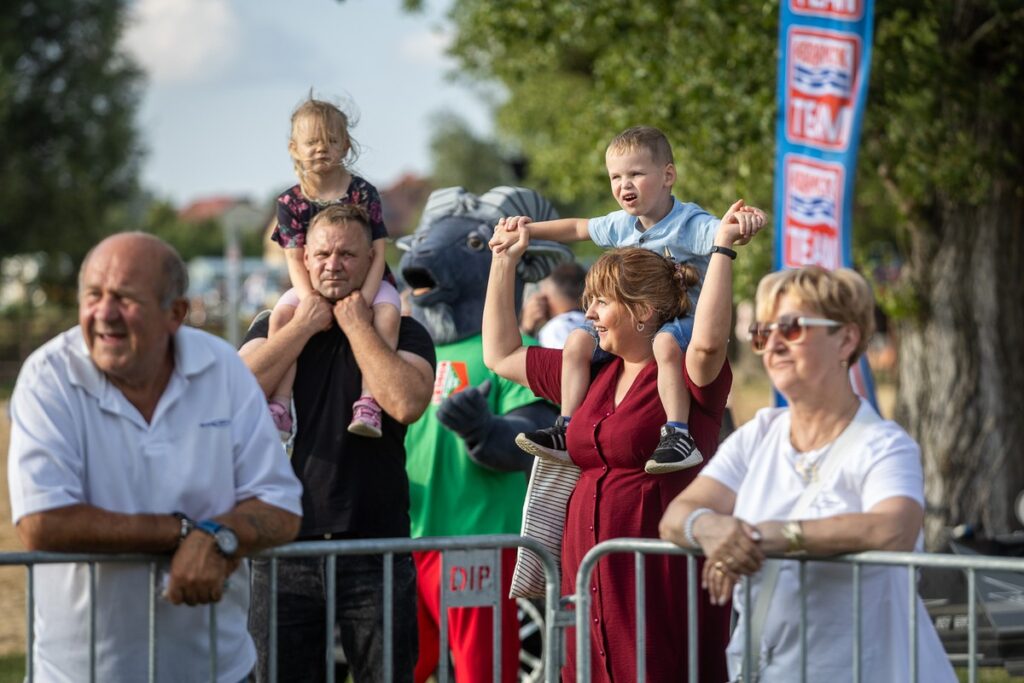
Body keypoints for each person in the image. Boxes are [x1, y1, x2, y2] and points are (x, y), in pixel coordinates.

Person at [6, 233, 303, 682]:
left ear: (176, 314)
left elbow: (281, 507)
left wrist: (218, 537)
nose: (104, 313)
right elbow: (43, 522)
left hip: (218, 672)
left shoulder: (222, 369)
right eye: (94, 295)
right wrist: (187, 533)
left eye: (125, 298)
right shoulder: (49, 378)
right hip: (79, 675)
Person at [482, 206, 759, 681]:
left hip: (661, 582)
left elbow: (711, 343)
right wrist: (503, 261)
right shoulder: (589, 372)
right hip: (586, 581)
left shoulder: (685, 374)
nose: (587, 314)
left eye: (601, 302)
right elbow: (501, 354)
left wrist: (723, 251)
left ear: (644, 312)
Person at [658, 266, 957, 682]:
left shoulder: (885, 445)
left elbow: (894, 528)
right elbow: (678, 514)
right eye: (762, 334)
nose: (774, 345)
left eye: (792, 328)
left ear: (847, 338)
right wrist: (709, 529)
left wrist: (764, 536)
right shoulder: (759, 434)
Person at [491, 125, 765, 474]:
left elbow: (725, 234)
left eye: (636, 173)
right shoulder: (622, 224)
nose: (624, 184)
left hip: (684, 321)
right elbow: (577, 229)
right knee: (576, 340)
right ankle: (566, 427)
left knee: (666, 343)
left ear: (668, 176)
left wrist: (746, 222)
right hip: (636, 325)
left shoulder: (690, 224)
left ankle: (678, 434)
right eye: (615, 176)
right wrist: (527, 232)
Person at [241, 204, 436, 683]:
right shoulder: (274, 325)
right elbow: (234, 396)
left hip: (375, 548)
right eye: (323, 253)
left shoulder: (403, 331)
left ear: (372, 259)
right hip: (281, 549)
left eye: (348, 254)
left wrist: (355, 326)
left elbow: (406, 403)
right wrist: (305, 325)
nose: (333, 264)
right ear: (304, 258)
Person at [268, 94, 401, 440]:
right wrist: (310, 301)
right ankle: (280, 404)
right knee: (281, 318)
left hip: (367, 281)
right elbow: (295, 257)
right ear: (294, 148)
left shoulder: (363, 193)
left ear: (345, 145)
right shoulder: (289, 202)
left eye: (330, 141)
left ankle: (369, 401)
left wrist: (365, 298)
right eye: (311, 142)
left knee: (387, 315)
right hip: (310, 287)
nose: (320, 149)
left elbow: (377, 250)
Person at [519, 261, 588, 349]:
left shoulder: (555, 329)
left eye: (541, 290)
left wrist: (526, 331)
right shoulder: (594, 324)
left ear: (546, 296)